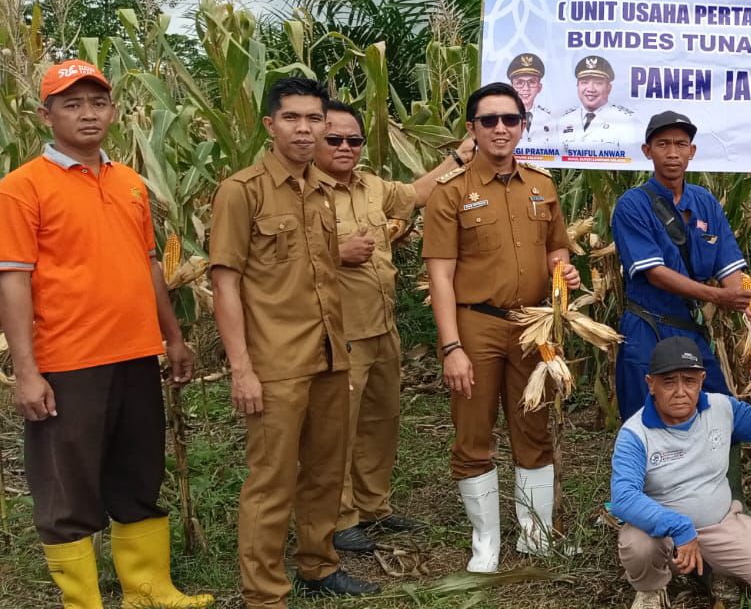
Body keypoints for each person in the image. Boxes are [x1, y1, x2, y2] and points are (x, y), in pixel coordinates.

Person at [0, 60, 213, 609]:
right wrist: (27, 371)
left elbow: (148, 265)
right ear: (46, 115)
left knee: (138, 474)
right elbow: (14, 281)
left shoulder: (129, 182)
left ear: (113, 111)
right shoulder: (21, 188)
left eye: (98, 102)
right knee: (67, 487)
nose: (88, 114)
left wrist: (173, 337)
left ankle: (147, 589)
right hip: (68, 361)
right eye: (72, 104)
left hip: (137, 353)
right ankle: (83, 601)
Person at [211, 77, 380, 605]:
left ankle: (319, 563)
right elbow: (225, 283)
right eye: (293, 119)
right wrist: (242, 369)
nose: (306, 130)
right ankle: (264, 593)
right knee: (272, 482)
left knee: (328, 470)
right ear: (270, 125)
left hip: (331, 353)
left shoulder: (321, 192)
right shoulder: (243, 192)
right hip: (276, 362)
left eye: (315, 120)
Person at [422, 82, 580, 572]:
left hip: (533, 326)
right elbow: (440, 277)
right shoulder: (451, 193)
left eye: (510, 120)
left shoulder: (542, 185)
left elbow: (556, 248)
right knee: (473, 433)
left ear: (522, 126)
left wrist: (564, 271)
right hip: (477, 324)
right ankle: (485, 542)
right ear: (472, 129)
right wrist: (451, 347)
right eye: (488, 120)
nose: (500, 128)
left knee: (532, 428)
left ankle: (534, 538)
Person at [315, 100, 473, 553]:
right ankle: (339, 518)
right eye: (335, 139)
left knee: (380, 421)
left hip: (382, 327)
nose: (345, 147)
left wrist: (459, 158)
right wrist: (335, 253)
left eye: (354, 140)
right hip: (338, 332)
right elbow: (275, 260)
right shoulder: (306, 191)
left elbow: (416, 193)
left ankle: (373, 507)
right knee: (338, 428)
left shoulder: (370, 187)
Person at [611, 337, 751, 609]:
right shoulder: (635, 433)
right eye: (669, 382)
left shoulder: (722, 408)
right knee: (638, 545)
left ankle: (716, 567)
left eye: (689, 381)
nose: (680, 391)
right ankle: (651, 588)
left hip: (720, 524)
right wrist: (680, 527)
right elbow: (623, 498)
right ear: (651, 384)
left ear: (701, 380)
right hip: (663, 535)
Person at [610, 110, 751, 421]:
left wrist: (748, 304)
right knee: (644, 419)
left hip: (691, 330)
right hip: (648, 324)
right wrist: (717, 297)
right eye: (662, 144)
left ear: (692, 151)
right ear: (647, 151)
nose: (673, 153)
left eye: (681, 144)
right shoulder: (633, 205)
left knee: (716, 412)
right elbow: (656, 274)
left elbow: (730, 267)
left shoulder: (705, 202)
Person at [556, 55, 637, 150]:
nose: (590, 89)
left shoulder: (625, 121)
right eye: (584, 82)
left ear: (609, 88)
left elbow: (630, 161)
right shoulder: (564, 121)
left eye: (598, 83)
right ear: (578, 86)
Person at [506, 52, 558, 152]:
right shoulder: (499, 119)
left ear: (539, 87)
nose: (526, 88)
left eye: (532, 82)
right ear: (512, 87)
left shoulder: (550, 120)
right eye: (519, 83)